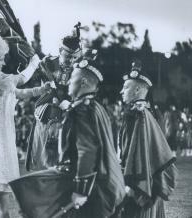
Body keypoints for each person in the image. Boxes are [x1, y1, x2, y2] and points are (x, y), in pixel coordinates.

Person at [10, 57, 125, 218]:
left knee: (28, 194)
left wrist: (81, 190)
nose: (69, 81)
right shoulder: (96, 107)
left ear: (83, 82)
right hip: (99, 180)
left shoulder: (81, 110)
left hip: (85, 183)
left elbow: (87, 151)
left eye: (73, 78)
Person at [0, 35, 51, 218]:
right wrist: (34, 64)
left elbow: (18, 93)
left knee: (1, 169)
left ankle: (1, 212)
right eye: (1, 56)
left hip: (1, 128)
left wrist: (41, 90)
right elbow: (18, 81)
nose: (4, 60)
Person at [119, 60, 177, 218]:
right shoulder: (146, 112)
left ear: (137, 89)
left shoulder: (137, 115)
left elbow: (136, 154)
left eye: (125, 87)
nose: (121, 91)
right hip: (149, 181)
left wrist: (131, 183)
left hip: (139, 183)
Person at [26, 31, 82, 171]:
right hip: (47, 108)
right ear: (60, 51)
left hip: (68, 110)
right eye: (67, 56)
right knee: (41, 157)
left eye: (74, 57)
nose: (71, 60)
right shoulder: (48, 63)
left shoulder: (80, 69)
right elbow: (43, 86)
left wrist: (70, 103)